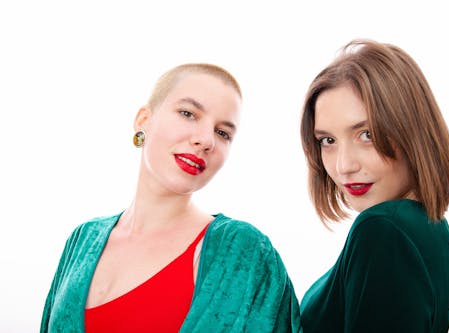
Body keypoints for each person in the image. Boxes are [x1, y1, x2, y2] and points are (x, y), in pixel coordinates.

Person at [41, 63, 301, 332]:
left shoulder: (243, 251)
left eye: (223, 133)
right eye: (188, 113)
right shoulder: (81, 240)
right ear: (144, 120)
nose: (205, 140)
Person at [299, 40, 449, 332]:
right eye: (328, 140)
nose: (343, 166)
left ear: (411, 131)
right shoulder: (431, 229)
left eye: (367, 134)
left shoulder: (383, 230)